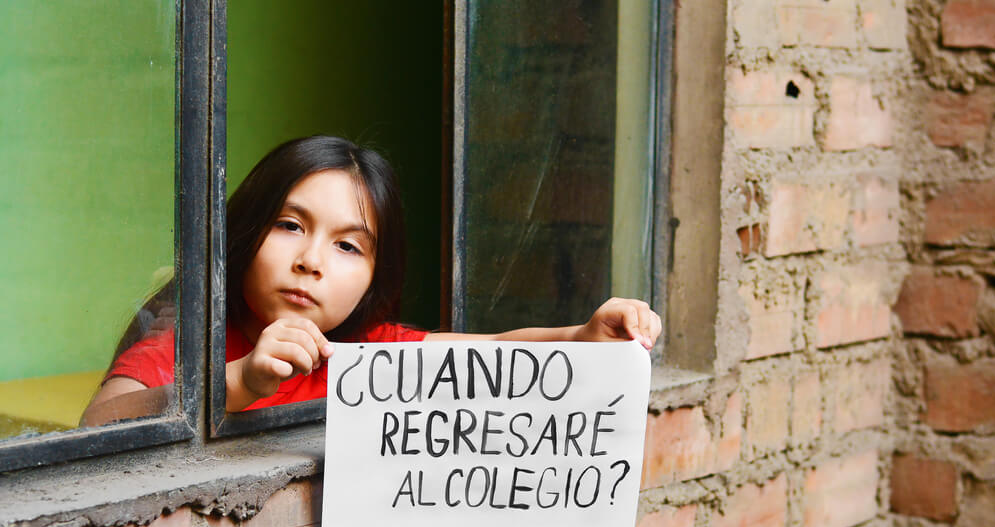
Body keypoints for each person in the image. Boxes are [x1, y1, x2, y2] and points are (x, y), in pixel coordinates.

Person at [82, 136, 661, 424]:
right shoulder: (183, 350)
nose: (312, 260)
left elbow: (493, 351)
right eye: (289, 225)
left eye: (347, 245)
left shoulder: (364, 354)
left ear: (372, 277)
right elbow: (99, 420)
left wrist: (584, 338)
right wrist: (238, 382)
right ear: (244, 233)